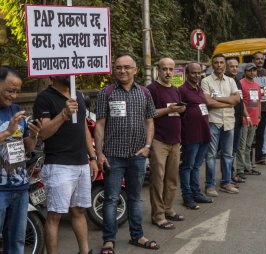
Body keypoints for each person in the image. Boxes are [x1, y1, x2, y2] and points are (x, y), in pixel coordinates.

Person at [95, 53, 159, 252]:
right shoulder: (106, 93)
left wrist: (148, 146)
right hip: (112, 156)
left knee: (135, 197)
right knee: (112, 198)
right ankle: (108, 240)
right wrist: (99, 154)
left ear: (135, 70)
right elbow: (99, 125)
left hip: (137, 156)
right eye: (118, 67)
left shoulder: (145, 93)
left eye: (126, 67)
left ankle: (137, 235)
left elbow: (150, 120)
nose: (122, 71)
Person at [33, 75, 98, 254]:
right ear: (53, 73)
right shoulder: (44, 98)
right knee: (55, 215)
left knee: (79, 211)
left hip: (81, 164)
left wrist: (92, 157)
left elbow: (84, 127)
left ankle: (84, 252)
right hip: (58, 164)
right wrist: (64, 114)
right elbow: (43, 133)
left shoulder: (77, 94)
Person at [0, 66, 40, 254]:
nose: (14, 96)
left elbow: (27, 148)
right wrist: (7, 131)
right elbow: (8, 134)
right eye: (10, 90)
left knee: (16, 241)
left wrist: (33, 136)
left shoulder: (17, 110)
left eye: (17, 91)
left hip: (19, 187)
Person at [148, 58, 185, 230]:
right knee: (158, 179)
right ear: (158, 70)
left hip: (175, 140)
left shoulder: (175, 90)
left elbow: (178, 111)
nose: (168, 72)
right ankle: (158, 215)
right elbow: (149, 114)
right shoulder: (151, 89)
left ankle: (168, 209)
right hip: (158, 140)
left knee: (171, 179)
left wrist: (181, 109)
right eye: (165, 69)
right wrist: (170, 109)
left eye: (171, 69)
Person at [201, 54, 240, 196]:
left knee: (228, 155)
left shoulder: (231, 81)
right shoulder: (206, 81)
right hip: (213, 121)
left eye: (221, 62)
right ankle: (210, 185)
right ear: (212, 64)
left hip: (229, 122)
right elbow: (208, 102)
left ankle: (226, 182)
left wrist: (218, 99)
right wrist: (228, 102)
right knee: (211, 155)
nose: (219, 65)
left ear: (225, 65)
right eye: (216, 62)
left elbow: (237, 100)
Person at [178, 62, 212, 210]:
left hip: (204, 133)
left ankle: (196, 193)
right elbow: (179, 112)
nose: (197, 75)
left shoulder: (199, 89)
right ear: (187, 73)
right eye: (193, 73)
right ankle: (187, 196)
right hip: (190, 135)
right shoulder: (182, 90)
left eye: (199, 73)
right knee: (187, 166)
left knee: (196, 166)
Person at [235, 63, 262, 179]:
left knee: (249, 145)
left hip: (255, 119)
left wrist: (259, 116)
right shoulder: (240, 83)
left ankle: (248, 167)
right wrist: (247, 117)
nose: (252, 72)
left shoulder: (257, 85)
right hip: (244, 119)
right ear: (245, 72)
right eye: (250, 70)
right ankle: (240, 169)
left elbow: (259, 102)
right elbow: (241, 102)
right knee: (241, 146)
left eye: (254, 70)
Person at [225, 58, 246, 183]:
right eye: (231, 66)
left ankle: (231, 174)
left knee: (233, 150)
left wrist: (246, 116)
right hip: (228, 120)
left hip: (238, 120)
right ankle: (227, 177)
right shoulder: (226, 81)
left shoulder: (237, 81)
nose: (234, 69)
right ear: (227, 67)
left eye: (236, 66)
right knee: (227, 151)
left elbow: (241, 101)